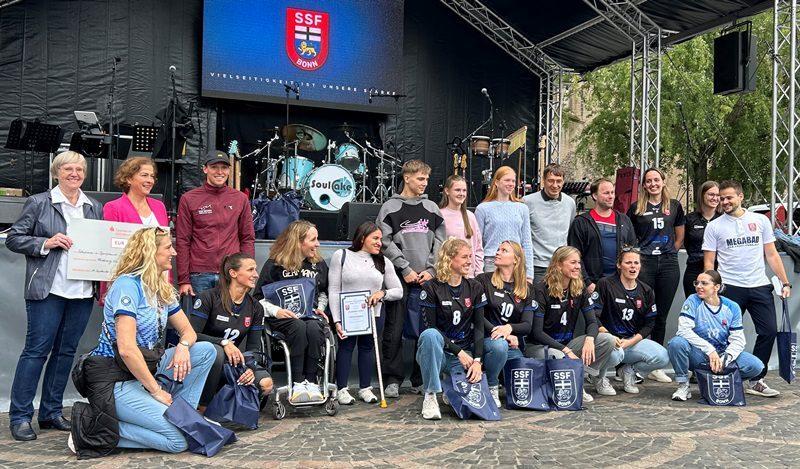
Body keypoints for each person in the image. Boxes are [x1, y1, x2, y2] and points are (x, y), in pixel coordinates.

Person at [86, 227, 216, 453]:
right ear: (150, 252)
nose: (174, 253)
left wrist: (183, 346)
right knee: (179, 441)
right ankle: (96, 426)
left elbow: (189, 332)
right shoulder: (128, 285)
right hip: (116, 378)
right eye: (168, 247)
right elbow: (126, 349)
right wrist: (156, 390)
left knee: (205, 351)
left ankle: (183, 415)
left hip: (146, 369)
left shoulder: (160, 288)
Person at [6, 151, 103, 441]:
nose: (74, 174)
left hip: (82, 291)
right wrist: (45, 242)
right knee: (36, 352)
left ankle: (50, 412)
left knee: (65, 354)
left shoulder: (93, 206)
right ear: (56, 172)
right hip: (48, 290)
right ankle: (21, 416)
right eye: (68, 169)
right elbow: (13, 238)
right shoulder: (38, 202)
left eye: (79, 169)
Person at [703, 180, 792, 397]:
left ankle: (756, 380)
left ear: (741, 197)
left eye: (729, 197)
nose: (724, 202)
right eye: (722, 198)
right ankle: (721, 374)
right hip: (729, 287)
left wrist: (785, 281)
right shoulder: (714, 226)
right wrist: (710, 287)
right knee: (723, 335)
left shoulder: (760, 220)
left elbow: (771, 254)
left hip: (759, 285)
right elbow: (709, 262)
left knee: (769, 330)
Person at [376, 159, 445, 398]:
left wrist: (432, 270)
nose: (425, 183)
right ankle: (393, 379)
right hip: (399, 277)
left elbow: (441, 242)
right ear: (407, 178)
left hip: (427, 278)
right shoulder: (390, 207)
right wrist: (404, 268)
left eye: (427, 179)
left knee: (425, 329)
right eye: (420, 179)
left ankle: (420, 378)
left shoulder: (432, 208)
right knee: (394, 329)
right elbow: (383, 242)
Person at [525, 246, 619, 402]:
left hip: (566, 345)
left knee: (607, 340)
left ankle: (579, 376)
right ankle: (572, 382)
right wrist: (566, 350)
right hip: (540, 347)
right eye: (573, 262)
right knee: (560, 355)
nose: (578, 267)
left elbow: (592, 322)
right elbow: (537, 332)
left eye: (579, 263)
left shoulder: (579, 287)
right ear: (558, 265)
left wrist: (590, 339)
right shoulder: (541, 289)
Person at [253, 220, 329, 403]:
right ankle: (296, 382)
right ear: (298, 241)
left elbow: (324, 292)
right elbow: (258, 298)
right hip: (283, 318)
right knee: (298, 326)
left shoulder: (318, 264)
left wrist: (321, 308)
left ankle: (310, 382)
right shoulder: (275, 265)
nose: (317, 244)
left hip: (310, 315)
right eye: (313, 240)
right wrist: (277, 311)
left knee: (311, 327)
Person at [328, 222, 403, 405]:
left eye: (381, 239)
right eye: (375, 238)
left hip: (373, 314)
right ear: (362, 238)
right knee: (346, 347)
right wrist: (336, 319)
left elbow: (398, 291)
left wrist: (382, 293)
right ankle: (342, 388)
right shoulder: (342, 256)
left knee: (368, 348)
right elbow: (334, 290)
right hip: (348, 314)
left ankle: (365, 388)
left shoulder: (383, 261)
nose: (380, 242)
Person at [415, 238, 488, 420]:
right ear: (449, 259)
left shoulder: (475, 287)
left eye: (470, 256)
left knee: (460, 399)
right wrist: (459, 351)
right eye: (464, 257)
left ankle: (449, 385)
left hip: (462, 356)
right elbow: (428, 328)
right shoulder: (431, 288)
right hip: (437, 353)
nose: (469, 261)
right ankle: (430, 395)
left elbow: (479, 326)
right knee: (430, 335)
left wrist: (477, 360)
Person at [189, 253, 272, 411]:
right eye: (250, 270)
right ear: (233, 273)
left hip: (232, 364)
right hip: (203, 363)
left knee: (266, 384)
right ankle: (202, 408)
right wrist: (223, 342)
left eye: (255, 270)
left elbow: (254, 347)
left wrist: (249, 367)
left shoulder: (255, 307)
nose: (256, 274)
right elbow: (191, 335)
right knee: (218, 352)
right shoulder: (209, 297)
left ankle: (232, 406)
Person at [668, 270, 765, 401]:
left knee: (756, 366)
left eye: (704, 283)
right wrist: (710, 350)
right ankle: (683, 385)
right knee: (676, 343)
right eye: (697, 283)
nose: (698, 286)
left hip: (722, 354)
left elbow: (738, 339)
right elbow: (683, 330)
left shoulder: (732, 307)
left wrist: (726, 358)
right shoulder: (693, 300)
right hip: (699, 354)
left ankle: (719, 379)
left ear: (717, 287)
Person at [626, 168, 685, 383]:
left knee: (661, 313)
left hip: (668, 263)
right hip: (645, 263)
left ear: (663, 182)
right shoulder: (636, 208)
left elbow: (679, 236)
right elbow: (631, 237)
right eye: (648, 181)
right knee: (640, 312)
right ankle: (632, 362)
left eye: (656, 180)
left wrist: (670, 252)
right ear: (643, 185)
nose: (653, 184)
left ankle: (656, 364)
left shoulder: (675, 206)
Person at [176, 150, 255, 297]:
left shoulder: (240, 199)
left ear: (229, 170)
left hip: (231, 273)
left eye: (224, 168)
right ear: (205, 169)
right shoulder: (189, 199)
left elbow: (247, 238)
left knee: (231, 319)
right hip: (199, 274)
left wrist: (247, 271)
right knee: (199, 320)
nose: (220, 172)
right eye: (214, 167)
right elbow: (183, 240)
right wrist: (183, 279)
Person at [595, 247, 669, 394]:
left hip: (629, 342)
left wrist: (631, 341)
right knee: (616, 354)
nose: (633, 266)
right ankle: (599, 378)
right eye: (628, 262)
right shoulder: (605, 284)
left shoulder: (646, 290)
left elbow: (650, 324)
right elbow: (593, 316)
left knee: (662, 356)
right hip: (608, 341)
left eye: (636, 263)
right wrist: (608, 336)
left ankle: (629, 371)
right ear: (619, 265)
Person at [101, 157, 170, 302]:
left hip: (156, 282)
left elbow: (165, 244)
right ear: (128, 179)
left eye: (152, 176)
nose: (150, 180)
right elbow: (109, 249)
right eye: (144, 175)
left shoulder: (159, 207)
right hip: (127, 281)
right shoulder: (113, 207)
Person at [476, 241, 535, 406]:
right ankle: (492, 385)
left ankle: (499, 380)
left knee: (520, 382)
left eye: (504, 250)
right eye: (498, 249)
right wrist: (502, 333)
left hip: (511, 345)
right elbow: (477, 316)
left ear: (515, 259)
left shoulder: (525, 289)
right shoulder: (483, 280)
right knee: (499, 345)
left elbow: (527, 325)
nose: (497, 252)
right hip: (486, 340)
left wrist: (510, 329)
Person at [568, 178, 637, 294]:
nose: (611, 196)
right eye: (606, 193)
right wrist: (587, 283)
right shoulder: (581, 222)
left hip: (620, 283)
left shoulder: (624, 220)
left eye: (612, 193)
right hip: (592, 285)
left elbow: (632, 251)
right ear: (594, 195)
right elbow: (574, 256)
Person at [475, 166, 534, 280]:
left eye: (513, 181)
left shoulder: (522, 208)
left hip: (516, 263)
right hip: (492, 263)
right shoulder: (483, 209)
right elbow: (477, 243)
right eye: (507, 180)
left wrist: (529, 274)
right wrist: (478, 271)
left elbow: (526, 242)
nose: (511, 184)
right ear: (496, 182)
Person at [523, 163, 576, 279]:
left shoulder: (570, 203)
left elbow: (570, 232)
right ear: (543, 181)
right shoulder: (527, 202)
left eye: (559, 181)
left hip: (562, 265)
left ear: (563, 181)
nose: (555, 185)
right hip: (537, 266)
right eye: (550, 181)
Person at [439, 175, 484, 277]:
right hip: (448, 275)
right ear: (447, 191)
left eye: (464, 190)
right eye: (457, 190)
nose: (461, 193)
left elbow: (478, 248)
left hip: (469, 275)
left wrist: (479, 272)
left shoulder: (470, 216)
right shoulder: (440, 215)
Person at [682, 181, 721, 297]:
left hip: (719, 270)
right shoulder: (689, 219)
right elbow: (685, 242)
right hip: (694, 269)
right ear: (702, 195)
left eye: (718, 195)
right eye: (711, 194)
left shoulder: (724, 219)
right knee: (694, 307)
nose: (715, 198)